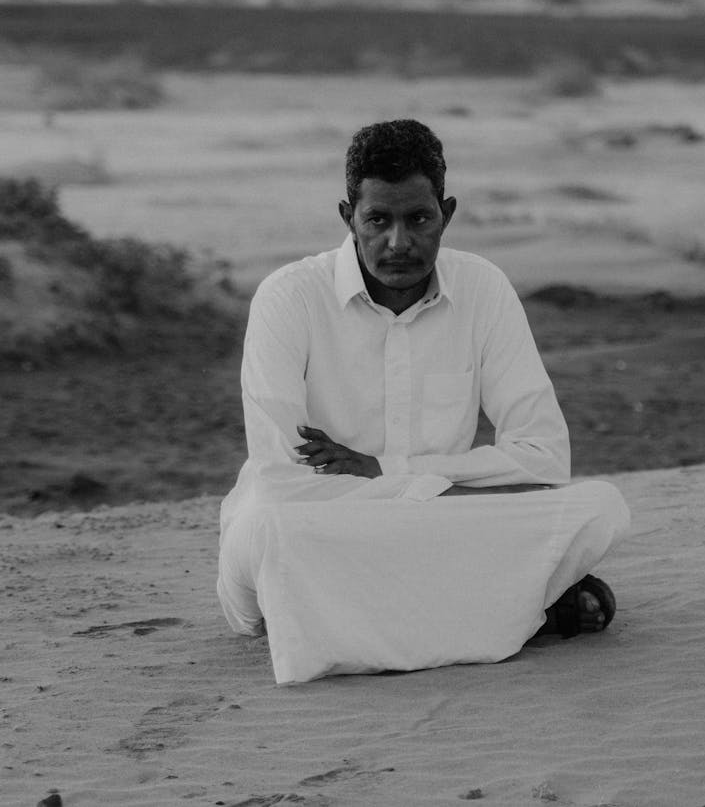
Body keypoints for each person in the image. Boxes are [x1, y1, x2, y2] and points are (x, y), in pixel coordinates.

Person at [217, 119, 629, 683]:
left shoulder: (483, 288)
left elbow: (544, 457)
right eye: (378, 220)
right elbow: (283, 481)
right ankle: (503, 604)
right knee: (268, 529)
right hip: (325, 530)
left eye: (419, 219)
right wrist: (439, 492)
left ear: (447, 213)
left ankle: (381, 616)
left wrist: (391, 471)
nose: (399, 242)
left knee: (600, 506)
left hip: (431, 523)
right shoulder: (288, 298)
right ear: (348, 218)